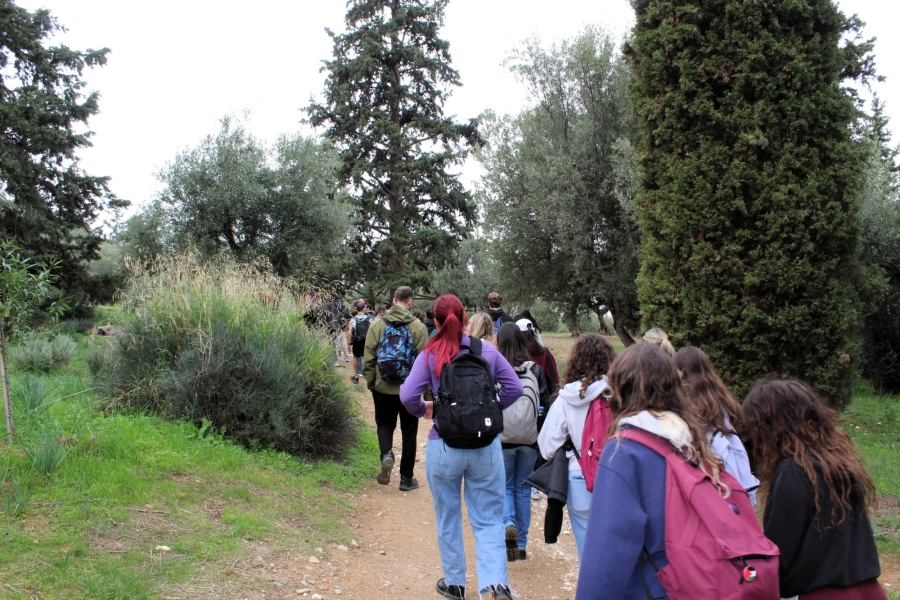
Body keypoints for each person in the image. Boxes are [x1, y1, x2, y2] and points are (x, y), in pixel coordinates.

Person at [575, 343, 727, 599]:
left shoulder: (624, 452)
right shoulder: (693, 442)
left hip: (653, 588)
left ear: (619, 391)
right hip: (698, 582)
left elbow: (607, 550)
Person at [399, 294, 522, 600]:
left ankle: (455, 584)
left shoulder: (430, 354)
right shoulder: (487, 352)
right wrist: (490, 410)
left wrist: (426, 410)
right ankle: (497, 585)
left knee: (448, 516)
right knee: (489, 518)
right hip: (486, 446)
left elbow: (408, 396)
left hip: (444, 446)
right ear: (465, 318)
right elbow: (515, 388)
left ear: (436, 321)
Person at [742, 379, 887, 600]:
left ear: (769, 427)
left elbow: (779, 552)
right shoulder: (837, 463)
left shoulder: (794, 471)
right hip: (870, 591)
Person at [537, 333, 615, 561]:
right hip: (614, 476)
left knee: (587, 553)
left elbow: (547, 446)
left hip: (578, 476)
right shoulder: (618, 394)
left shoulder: (566, 398)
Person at [674, 346, 760, 505]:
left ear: (683, 371)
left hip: (711, 472)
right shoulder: (719, 397)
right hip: (731, 473)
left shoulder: (689, 405)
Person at [363, 286, 429, 491]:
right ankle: (406, 479)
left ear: (393, 300)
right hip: (409, 390)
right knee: (409, 431)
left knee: (384, 425)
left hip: (383, 388)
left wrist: (372, 383)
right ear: (410, 302)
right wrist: (425, 392)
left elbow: (369, 358)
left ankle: (386, 455)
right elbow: (425, 362)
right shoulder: (418, 327)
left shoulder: (377, 324)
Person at [497, 323, 550, 562]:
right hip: (529, 439)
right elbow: (545, 403)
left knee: (506, 486)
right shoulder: (534, 369)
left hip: (503, 438)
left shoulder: (497, 368)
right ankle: (521, 545)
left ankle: (508, 522)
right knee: (523, 489)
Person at [518, 319, 559, 395]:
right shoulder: (545, 353)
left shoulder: (513, 355)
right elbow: (554, 380)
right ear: (533, 333)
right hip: (543, 398)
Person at [348, 301, 372, 384]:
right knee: (367, 358)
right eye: (365, 307)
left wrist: (348, 344)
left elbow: (349, 332)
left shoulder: (353, 319)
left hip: (357, 341)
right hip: (367, 341)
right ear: (363, 308)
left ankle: (356, 376)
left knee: (356, 357)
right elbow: (372, 329)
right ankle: (369, 377)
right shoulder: (369, 319)